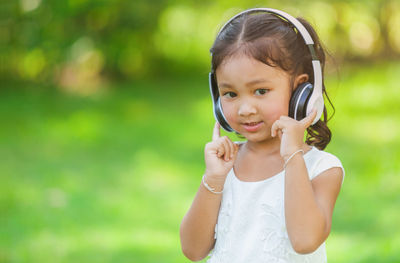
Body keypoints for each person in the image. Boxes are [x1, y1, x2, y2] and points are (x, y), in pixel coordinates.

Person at [180, 8, 345, 263]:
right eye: (230, 94)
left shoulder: (323, 169)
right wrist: (213, 179)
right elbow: (193, 250)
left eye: (260, 91)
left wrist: (292, 156)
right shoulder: (226, 164)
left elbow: (305, 241)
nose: (246, 109)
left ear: (301, 91)